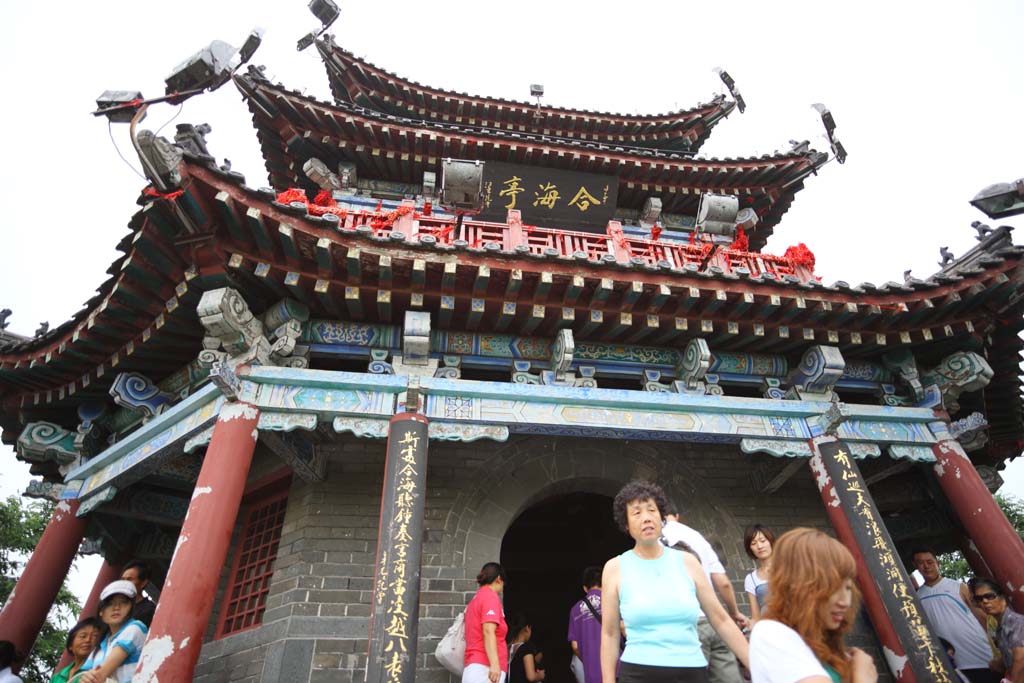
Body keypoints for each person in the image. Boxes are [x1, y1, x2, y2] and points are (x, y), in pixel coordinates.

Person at [601, 481, 749, 683]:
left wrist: (756, 664)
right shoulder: (615, 568)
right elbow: (609, 633)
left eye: (652, 510)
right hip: (638, 673)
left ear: (662, 518)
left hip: (691, 671)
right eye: (636, 513)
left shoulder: (688, 562)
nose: (646, 518)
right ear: (626, 524)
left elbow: (720, 620)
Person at [748, 528, 876, 683]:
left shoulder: (826, 643)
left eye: (848, 588)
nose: (845, 602)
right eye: (833, 587)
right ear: (798, 584)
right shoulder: (772, 633)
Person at [662, 499, 749, 683]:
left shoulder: (656, 540)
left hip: (686, 625)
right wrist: (734, 613)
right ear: (677, 516)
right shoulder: (697, 536)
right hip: (714, 621)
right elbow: (723, 582)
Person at [912, 549, 999, 683]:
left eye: (930, 562)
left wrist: (997, 649)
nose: (926, 566)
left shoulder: (958, 587)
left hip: (980, 656)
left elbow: (983, 618)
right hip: (950, 663)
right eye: (920, 563)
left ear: (938, 563)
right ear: (916, 567)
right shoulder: (917, 597)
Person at [78, 580, 148, 683]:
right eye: (110, 604)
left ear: (131, 607)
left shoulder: (135, 628)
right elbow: (82, 678)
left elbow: (100, 675)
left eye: (123, 602)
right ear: (101, 612)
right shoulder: (99, 647)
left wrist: (91, 677)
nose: (116, 608)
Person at [968, 577, 1024, 683]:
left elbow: (1021, 659)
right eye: (979, 599)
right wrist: (999, 662)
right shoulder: (1000, 626)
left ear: (1002, 597)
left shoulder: (1014, 622)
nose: (984, 601)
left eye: (989, 596)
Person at [464, 562, 509, 683]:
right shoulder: (490, 597)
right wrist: (495, 664)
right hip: (485, 669)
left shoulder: (476, 599)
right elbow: (488, 631)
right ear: (499, 579)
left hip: (475, 666)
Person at [568, 566, 609, 683]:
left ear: (585, 588)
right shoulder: (614, 601)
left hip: (591, 673)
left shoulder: (575, 610)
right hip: (616, 669)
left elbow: (575, 646)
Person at [49, 618, 102, 683]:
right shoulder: (57, 677)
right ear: (71, 645)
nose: (88, 640)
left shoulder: (97, 671)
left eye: (95, 636)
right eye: (83, 636)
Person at [743, 525, 775, 622]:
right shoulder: (751, 578)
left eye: (763, 541)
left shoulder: (790, 567)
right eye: (753, 543)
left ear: (770, 541)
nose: (759, 546)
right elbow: (756, 617)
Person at [508, 614, 545, 683]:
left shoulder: (508, 647)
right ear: (528, 628)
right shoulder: (526, 649)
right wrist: (540, 675)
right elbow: (531, 677)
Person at [120, 560, 156, 628]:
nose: (124, 583)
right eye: (123, 580)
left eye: (129, 579)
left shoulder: (148, 610)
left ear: (143, 583)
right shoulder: (116, 608)